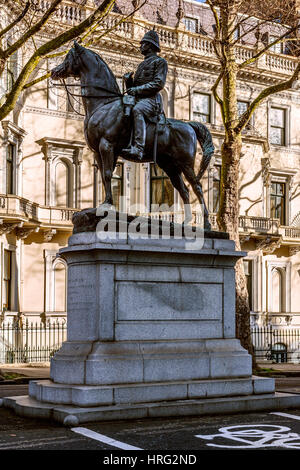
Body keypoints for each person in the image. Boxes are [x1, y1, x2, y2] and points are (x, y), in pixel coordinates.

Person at [122, 30, 168, 160]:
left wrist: (136, 90)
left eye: (143, 44)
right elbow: (135, 88)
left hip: (152, 100)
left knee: (137, 110)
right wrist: (129, 82)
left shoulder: (160, 62)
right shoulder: (142, 64)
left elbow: (158, 84)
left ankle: (138, 148)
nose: (140, 46)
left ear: (150, 45)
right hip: (139, 98)